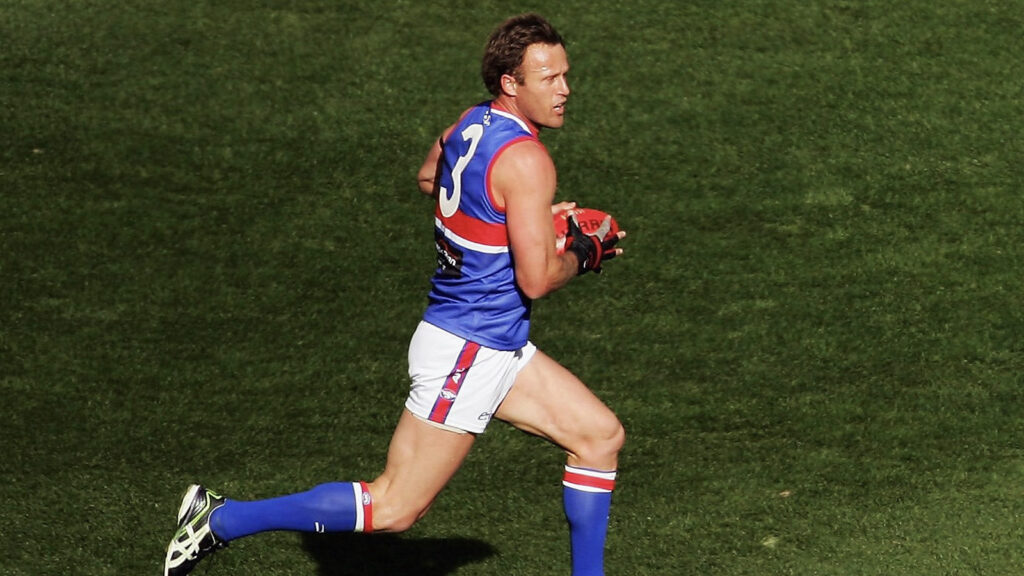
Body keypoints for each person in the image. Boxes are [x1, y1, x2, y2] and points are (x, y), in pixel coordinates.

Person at [163, 13, 626, 576]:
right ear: (511, 82)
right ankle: (221, 518)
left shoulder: (471, 123)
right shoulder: (528, 159)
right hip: (469, 350)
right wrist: (583, 252)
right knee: (394, 507)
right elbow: (536, 279)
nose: (565, 89)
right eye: (549, 78)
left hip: (490, 341)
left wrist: (520, 219)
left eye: (565, 74)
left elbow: (431, 178)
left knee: (599, 436)